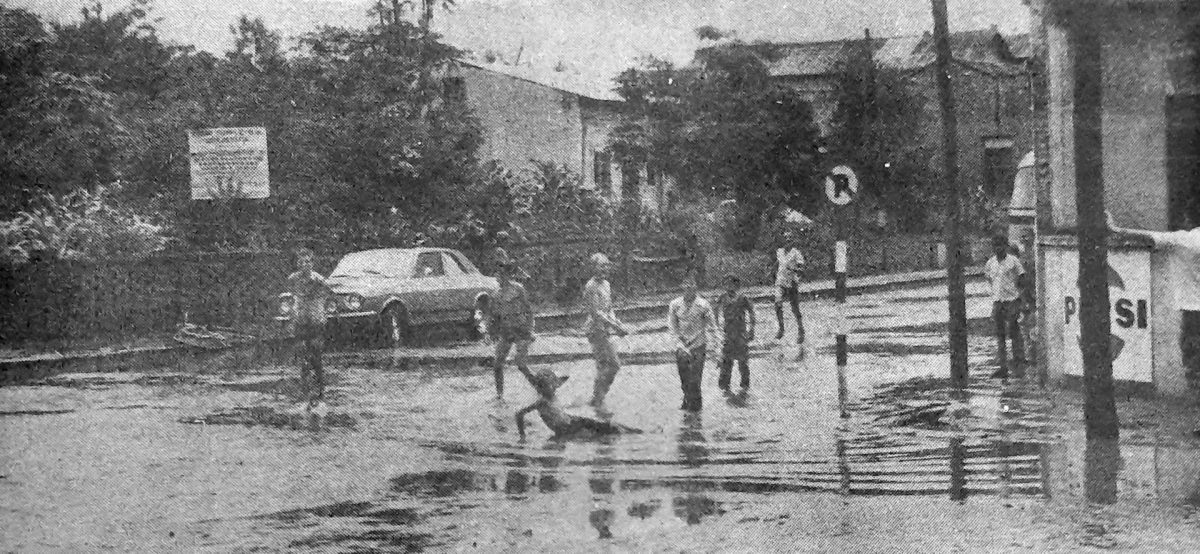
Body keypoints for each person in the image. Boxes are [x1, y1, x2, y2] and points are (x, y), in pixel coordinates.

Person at [1109, 212, 1200, 387]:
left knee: (1192, 349)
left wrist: (1116, 229)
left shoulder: (1184, 239)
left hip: (1192, 305)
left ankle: (1194, 388)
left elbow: (1148, 237)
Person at [516, 369, 639, 439]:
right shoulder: (541, 401)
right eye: (542, 386)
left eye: (551, 385)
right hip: (568, 428)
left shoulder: (551, 395)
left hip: (572, 422)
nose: (547, 388)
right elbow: (519, 414)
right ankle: (635, 433)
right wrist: (522, 435)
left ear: (556, 385)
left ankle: (634, 431)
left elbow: (561, 383)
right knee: (605, 430)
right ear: (538, 388)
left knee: (607, 426)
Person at [287, 247, 333, 411]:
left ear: (312, 263)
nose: (304, 264)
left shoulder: (318, 279)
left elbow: (328, 294)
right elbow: (293, 297)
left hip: (315, 320)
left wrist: (320, 308)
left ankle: (320, 392)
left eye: (307, 261)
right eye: (301, 261)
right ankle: (305, 392)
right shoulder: (293, 279)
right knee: (303, 355)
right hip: (301, 319)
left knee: (316, 355)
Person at [485, 254, 536, 398]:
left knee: (521, 364)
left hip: (521, 329)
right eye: (497, 275)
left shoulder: (518, 289)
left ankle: (539, 387)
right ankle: (499, 394)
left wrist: (531, 329)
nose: (499, 278)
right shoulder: (495, 295)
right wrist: (490, 332)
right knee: (497, 364)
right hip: (506, 331)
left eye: (502, 275)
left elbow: (529, 310)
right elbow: (493, 316)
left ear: (508, 275)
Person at [584, 253, 629, 409]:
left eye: (606, 265)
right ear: (593, 267)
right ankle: (597, 397)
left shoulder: (606, 284)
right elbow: (597, 313)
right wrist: (616, 327)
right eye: (601, 265)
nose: (605, 268)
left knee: (604, 366)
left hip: (607, 328)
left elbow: (609, 308)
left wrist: (617, 322)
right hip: (596, 330)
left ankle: (598, 398)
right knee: (612, 365)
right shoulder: (591, 286)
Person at [669, 273, 717, 411]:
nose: (689, 289)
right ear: (682, 287)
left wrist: (717, 348)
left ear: (696, 288)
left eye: (692, 286)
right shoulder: (675, 305)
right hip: (682, 346)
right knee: (684, 379)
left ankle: (696, 411)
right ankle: (687, 402)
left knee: (695, 380)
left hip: (698, 345)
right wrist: (679, 345)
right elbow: (673, 328)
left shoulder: (703, 305)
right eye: (686, 286)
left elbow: (712, 327)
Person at [984, 235, 1026, 378]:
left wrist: (1019, 298)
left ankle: (1018, 364)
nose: (998, 249)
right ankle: (1003, 367)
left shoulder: (1014, 261)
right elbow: (989, 279)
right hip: (998, 302)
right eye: (995, 246)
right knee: (999, 335)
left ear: (1005, 246)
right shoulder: (990, 263)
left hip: (1011, 300)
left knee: (1014, 332)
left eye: (1001, 245)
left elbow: (1022, 278)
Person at [715, 274, 756, 390]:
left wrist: (752, 329)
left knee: (743, 360)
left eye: (732, 284)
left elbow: (751, 312)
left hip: (740, 333)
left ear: (737, 285)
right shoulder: (722, 297)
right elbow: (715, 310)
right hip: (728, 333)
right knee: (726, 359)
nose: (729, 287)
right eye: (726, 284)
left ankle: (745, 383)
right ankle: (724, 384)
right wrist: (717, 326)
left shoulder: (743, 298)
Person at [774, 229, 806, 344]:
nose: (787, 241)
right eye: (786, 239)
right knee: (777, 303)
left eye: (790, 239)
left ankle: (801, 329)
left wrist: (795, 271)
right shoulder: (779, 252)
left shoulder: (796, 253)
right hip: (780, 282)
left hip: (791, 282)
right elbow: (778, 265)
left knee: (795, 308)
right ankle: (781, 328)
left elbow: (802, 268)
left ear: (792, 241)